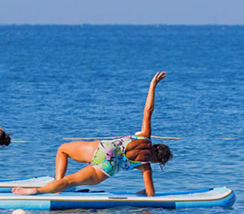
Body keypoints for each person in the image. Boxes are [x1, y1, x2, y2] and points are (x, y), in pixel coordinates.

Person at [14, 71, 172, 196]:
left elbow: (148, 110)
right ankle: (39, 191)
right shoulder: (145, 166)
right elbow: (151, 194)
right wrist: (146, 192)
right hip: (106, 167)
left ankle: (57, 186)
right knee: (71, 181)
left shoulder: (144, 136)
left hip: (104, 148)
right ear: (157, 160)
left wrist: (152, 86)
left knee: (62, 149)